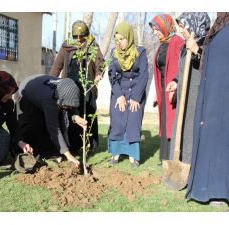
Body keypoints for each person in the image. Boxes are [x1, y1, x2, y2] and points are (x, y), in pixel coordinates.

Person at [186, 13, 229, 206]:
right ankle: (214, 187)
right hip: (214, 93)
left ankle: (218, 188)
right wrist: (198, 51)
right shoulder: (220, 30)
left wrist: (198, 50)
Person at [50, 20, 104, 154]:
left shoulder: (93, 46)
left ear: (86, 34)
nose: (79, 39)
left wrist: (98, 74)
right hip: (70, 88)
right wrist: (50, 81)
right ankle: (72, 145)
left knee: (88, 114)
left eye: (82, 36)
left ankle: (88, 145)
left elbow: (100, 63)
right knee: (71, 115)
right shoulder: (66, 46)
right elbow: (57, 66)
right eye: (76, 36)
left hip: (87, 88)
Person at [15, 74, 87, 167]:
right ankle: (24, 153)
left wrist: (76, 117)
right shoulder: (48, 99)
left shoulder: (65, 87)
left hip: (39, 87)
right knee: (34, 125)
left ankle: (51, 152)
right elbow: (54, 129)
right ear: (61, 98)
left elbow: (70, 101)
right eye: (68, 105)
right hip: (27, 91)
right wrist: (69, 155)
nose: (70, 107)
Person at [167, 13, 211, 165]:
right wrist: (175, 81)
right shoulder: (184, 48)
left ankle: (190, 167)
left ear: (194, 26)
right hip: (183, 97)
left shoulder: (208, 45)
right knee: (180, 131)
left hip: (197, 98)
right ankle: (176, 163)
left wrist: (198, 51)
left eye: (183, 27)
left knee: (191, 133)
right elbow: (182, 71)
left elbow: (210, 67)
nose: (181, 31)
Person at [107, 21, 149, 168]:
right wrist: (119, 95)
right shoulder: (114, 53)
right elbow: (111, 75)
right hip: (119, 92)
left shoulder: (140, 52)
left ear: (129, 38)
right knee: (118, 120)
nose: (119, 43)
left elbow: (144, 75)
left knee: (133, 121)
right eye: (117, 40)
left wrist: (136, 98)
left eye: (122, 39)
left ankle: (133, 155)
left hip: (136, 92)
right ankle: (116, 153)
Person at [149, 14, 184, 163]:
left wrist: (176, 84)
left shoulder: (177, 42)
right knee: (164, 122)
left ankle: (173, 157)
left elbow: (180, 66)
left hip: (173, 89)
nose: (155, 33)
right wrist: (158, 92)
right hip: (163, 88)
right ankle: (165, 157)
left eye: (156, 29)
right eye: (153, 30)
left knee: (172, 122)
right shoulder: (163, 43)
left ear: (165, 27)